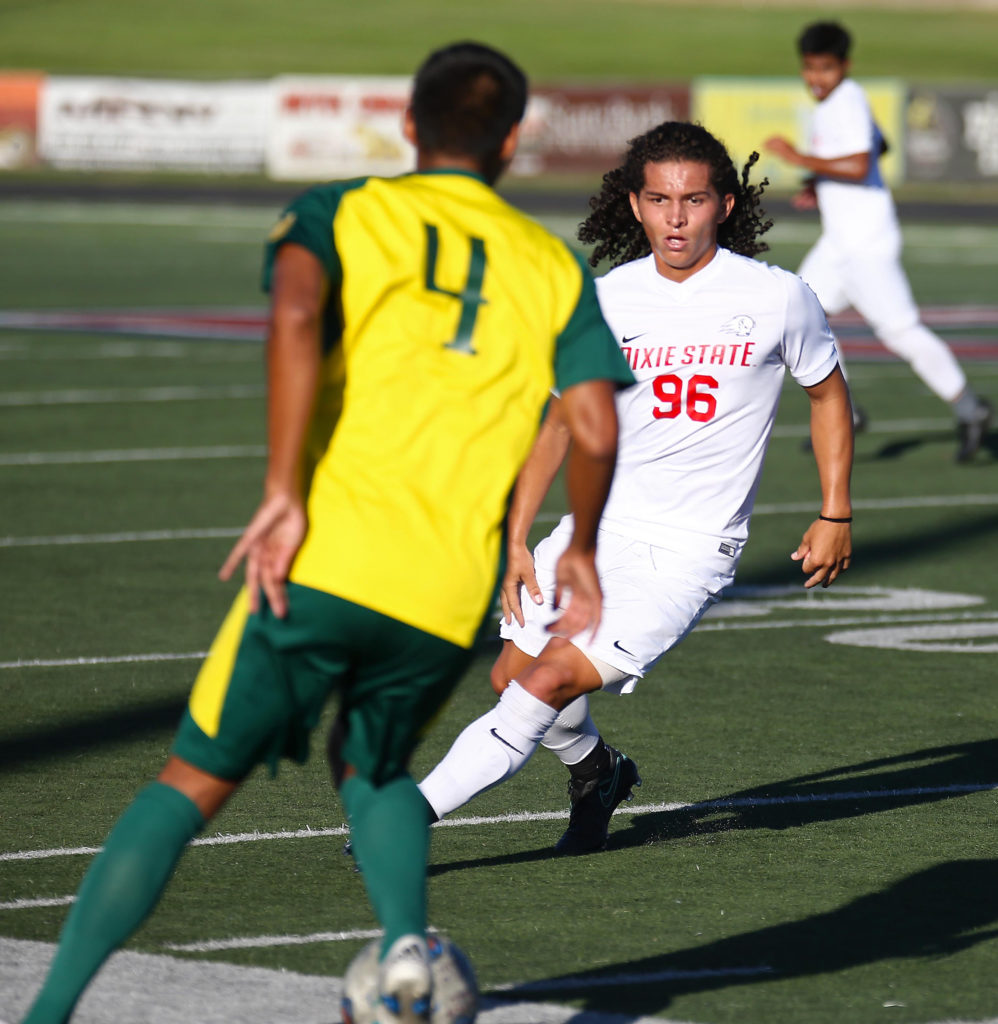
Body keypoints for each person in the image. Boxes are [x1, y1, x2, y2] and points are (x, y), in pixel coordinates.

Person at [20, 42, 633, 1024]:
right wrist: (583, 547)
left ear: (405, 125)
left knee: (188, 784)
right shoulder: (551, 264)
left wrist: (280, 486)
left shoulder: (343, 209)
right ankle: (403, 954)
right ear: (513, 141)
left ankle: (47, 1014)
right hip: (441, 593)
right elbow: (595, 422)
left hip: (324, 561)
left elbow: (297, 309)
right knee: (374, 767)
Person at [418, 120, 855, 855]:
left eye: (692, 200)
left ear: (724, 204)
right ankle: (598, 770)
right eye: (658, 199)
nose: (675, 217)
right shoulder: (603, 299)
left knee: (549, 679)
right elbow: (557, 425)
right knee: (512, 675)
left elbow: (827, 394)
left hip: (690, 548)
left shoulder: (779, 297)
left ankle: (402, 816)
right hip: (597, 532)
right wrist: (518, 536)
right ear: (634, 205)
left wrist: (834, 510)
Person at [764, 20, 992, 463]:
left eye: (826, 68)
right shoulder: (838, 101)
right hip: (840, 243)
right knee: (802, 312)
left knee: (901, 332)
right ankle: (845, 411)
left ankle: (971, 408)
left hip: (865, 245)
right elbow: (880, 144)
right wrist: (819, 180)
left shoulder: (846, 98)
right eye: (809, 68)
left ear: (845, 66)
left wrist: (799, 159)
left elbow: (860, 162)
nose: (816, 77)